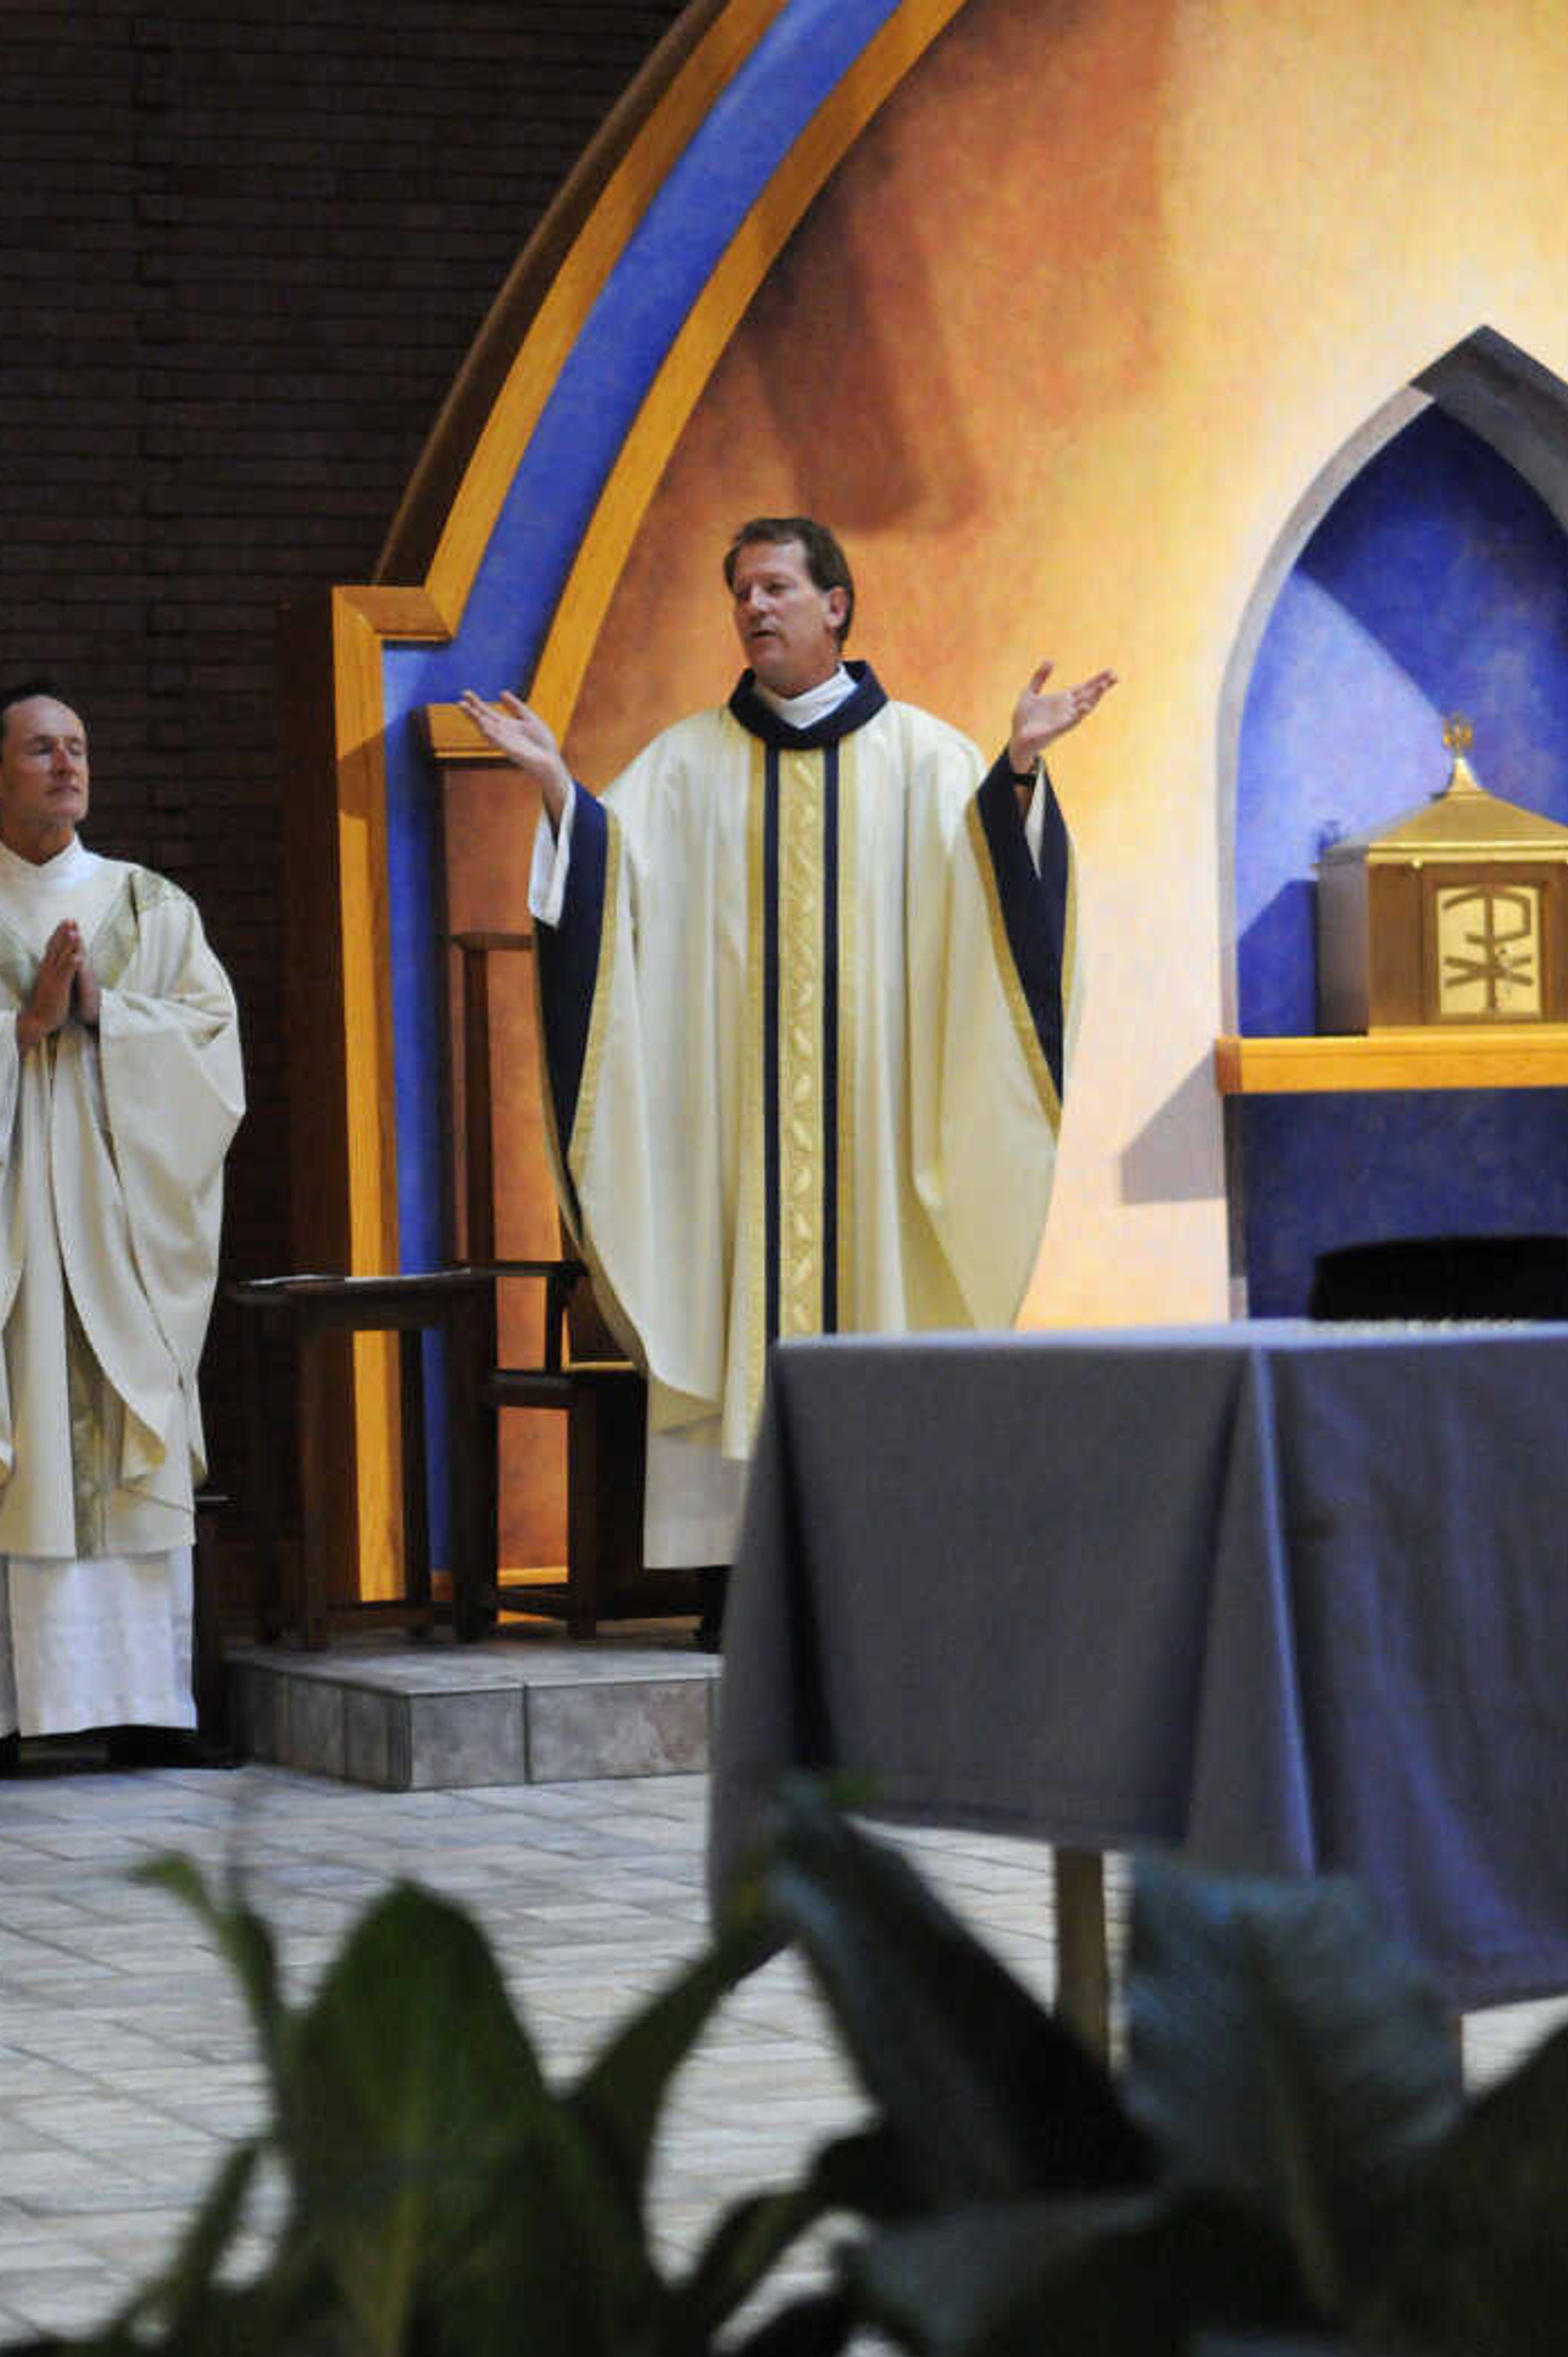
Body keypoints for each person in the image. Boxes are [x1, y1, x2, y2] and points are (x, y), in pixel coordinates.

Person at [462, 516, 1113, 1592]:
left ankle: (878, 1575)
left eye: (775, 587)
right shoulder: (682, 769)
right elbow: (610, 890)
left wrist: (1021, 779)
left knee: (883, 1311)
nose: (755, 610)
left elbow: (1005, 913)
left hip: (879, 1149)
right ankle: (741, 1583)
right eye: (741, 594)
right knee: (733, 1307)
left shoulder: (931, 761)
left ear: (836, 604)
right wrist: (559, 800)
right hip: (736, 1159)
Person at [0, 683, 244, 1773]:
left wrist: (111, 1013)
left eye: (78, 748)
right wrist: (17, 1029)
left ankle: (140, 1706)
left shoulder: (153, 909)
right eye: (39, 751)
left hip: (117, 1240)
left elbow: (213, 1054)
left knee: (120, 1437)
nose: (66, 766)